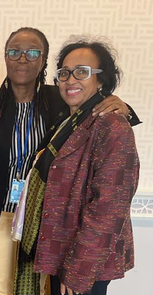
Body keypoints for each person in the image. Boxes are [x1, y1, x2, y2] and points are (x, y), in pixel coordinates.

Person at [0, 27, 140, 295]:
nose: (23, 58)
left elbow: (107, 203)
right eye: (14, 51)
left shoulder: (61, 100)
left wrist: (121, 105)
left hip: (44, 221)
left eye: (32, 52)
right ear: (6, 56)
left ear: (43, 60)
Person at [14, 38, 140, 295]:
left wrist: (78, 272)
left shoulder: (112, 126)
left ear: (101, 80)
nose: (71, 80)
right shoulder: (67, 119)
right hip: (59, 249)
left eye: (82, 72)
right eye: (64, 73)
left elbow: (108, 209)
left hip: (84, 263)